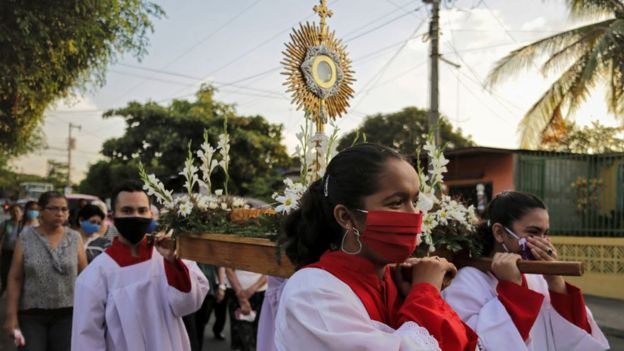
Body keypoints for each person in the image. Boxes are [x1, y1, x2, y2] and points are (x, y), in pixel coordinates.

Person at [275, 143, 477, 350]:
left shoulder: (394, 281)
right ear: (346, 217)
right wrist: (426, 293)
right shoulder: (312, 291)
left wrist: (414, 295)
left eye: (414, 201)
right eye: (396, 202)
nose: (414, 215)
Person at [442, 191, 610, 351]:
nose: (542, 242)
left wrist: (555, 281)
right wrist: (512, 288)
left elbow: (576, 337)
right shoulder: (467, 281)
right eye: (533, 232)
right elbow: (481, 344)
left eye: (545, 234)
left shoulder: (537, 277)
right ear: (499, 233)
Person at [71, 180, 209, 351]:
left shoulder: (169, 255)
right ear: (113, 217)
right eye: (127, 210)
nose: (135, 216)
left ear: (151, 214)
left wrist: (173, 262)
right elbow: (87, 339)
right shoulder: (95, 275)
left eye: (142, 210)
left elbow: (189, 304)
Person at [4, 192, 88, 350]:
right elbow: (15, 278)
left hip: (68, 315)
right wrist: (11, 316)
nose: (60, 213)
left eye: (64, 209)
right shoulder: (25, 238)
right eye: (54, 208)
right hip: (31, 314)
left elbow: (85, 277)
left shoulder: (75, 238)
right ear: (41, 210)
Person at [225, 268, 267, 351]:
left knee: (257, 334)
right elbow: (228, 268)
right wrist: (241, 296)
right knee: (241, 335)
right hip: (236, 293)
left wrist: (252, 289)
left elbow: (269, 271)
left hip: (259, 293)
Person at [194, 264, 227, 346]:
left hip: (207, 290)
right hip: (190, 288)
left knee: (200, 324)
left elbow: (220, 264)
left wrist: (221, 287)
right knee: (191, 325)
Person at [0, 204, 23, 295]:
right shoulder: (6, 223)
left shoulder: (24, 224)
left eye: (17, 211)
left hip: (20, 253)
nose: (15, 213)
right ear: (10, 212)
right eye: (13, 211)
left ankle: (16, 289)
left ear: (22, 212)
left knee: (18, 272)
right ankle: (4, 287)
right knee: (4, 270)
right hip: (7, 251)